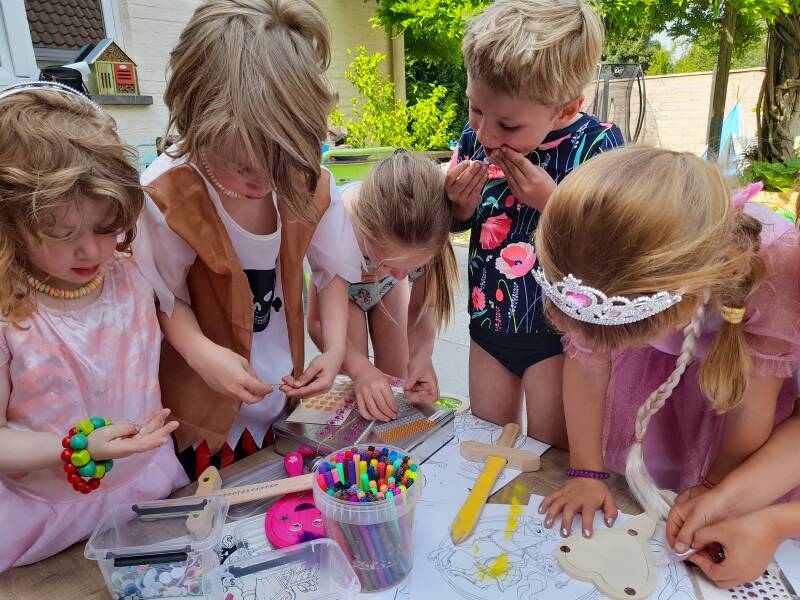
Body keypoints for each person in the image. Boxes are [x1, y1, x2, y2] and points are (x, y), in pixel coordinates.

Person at [134, 0, 362, 479]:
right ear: (198, 121)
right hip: (202, 410)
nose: (265, 183)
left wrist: (335, 349)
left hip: (282, 396)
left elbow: (333, 270)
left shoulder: (306, 178)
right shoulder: (167, 193)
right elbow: (164, 296)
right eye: (243, 167)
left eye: (280, 165)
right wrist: (202, 354)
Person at [534, 147, 800, 539]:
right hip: (651, 387)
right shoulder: (592, 257)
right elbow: (587, 365)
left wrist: (717, 487)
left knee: (705, 503)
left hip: (729, 396)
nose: (604, 352)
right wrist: (587, 471)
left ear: (688, 299)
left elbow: (751, 402)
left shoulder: (774, 267)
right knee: (650, 486)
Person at [0, 82, 187, 571]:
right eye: (62, 234)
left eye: (107, 228)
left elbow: (175, 315)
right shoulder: (9, 312)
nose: (92, 251)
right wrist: (75, 448)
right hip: (43, 516)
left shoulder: (131, 273)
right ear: (9, 223)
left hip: (144, 486)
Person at [446, 0, 623, 445]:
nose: (486, 134)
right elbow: (461, 225)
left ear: (565, 109)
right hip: (488, 324)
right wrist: (459, 207)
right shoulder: (474, 138)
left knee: (549, 455)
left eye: (508, 125)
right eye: (475, 109)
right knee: (487, 445)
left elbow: (610, 243)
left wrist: (552, 201)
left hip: (558, 338)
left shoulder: (597, 145)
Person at [307, 152, 459, 420]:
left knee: (396, 382)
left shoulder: (425, 232)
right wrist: (360, 370)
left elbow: (425, 305)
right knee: (356, 387)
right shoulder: (337, 228)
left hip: (386, 291)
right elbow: (319, 323)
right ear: (368, 231)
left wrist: (422, 355)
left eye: (412, 268)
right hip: (344, 296)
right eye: (390, 264)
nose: (402, 277)